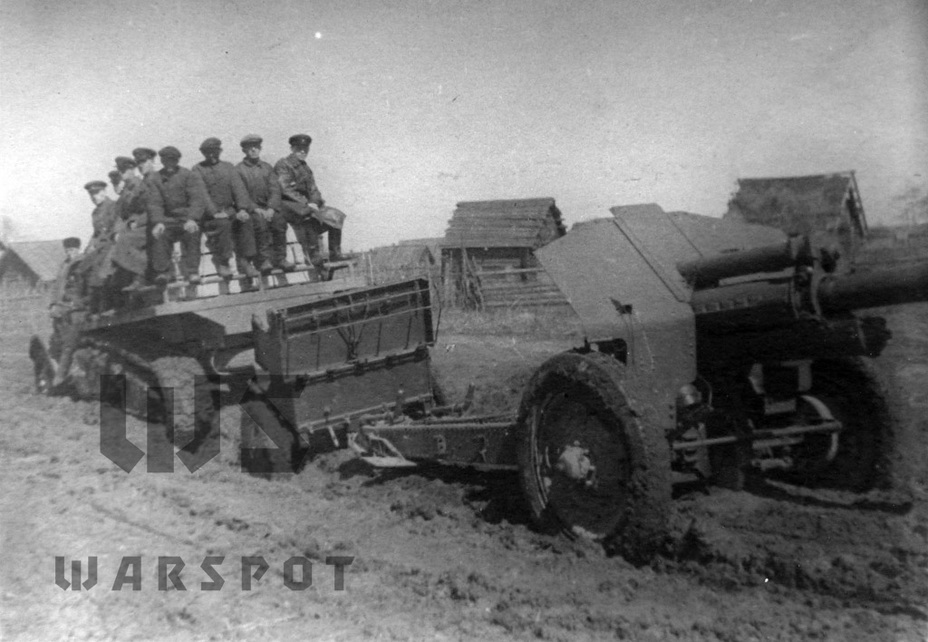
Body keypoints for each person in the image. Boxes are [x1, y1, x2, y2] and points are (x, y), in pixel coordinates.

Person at [274, 133, 346, 269]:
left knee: (337, 215)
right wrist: (307, 203)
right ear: (292, 149)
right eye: (299, 149)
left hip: (306, 204)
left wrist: (315, 201)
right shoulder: (283, 165)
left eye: (305, 149)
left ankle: (335, 252)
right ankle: (313, 254)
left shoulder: (305, 168)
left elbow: (314, 189)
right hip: (289, 205)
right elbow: (285, 189)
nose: (302, 152)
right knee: (308, 214)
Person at [192, 137, 258, 279]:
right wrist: (214, 212)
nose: (212, 155)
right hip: (211, 216)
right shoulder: (197, 169)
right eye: (208, 153)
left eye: (215, 152)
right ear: (203, 154)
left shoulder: (228, 167)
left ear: (220, 151)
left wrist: (242, 209)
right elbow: (202, 194)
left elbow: (238, 189)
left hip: (229, 210)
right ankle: (223, 262)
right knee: (222, 225)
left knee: (245, 221)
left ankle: (246, 261)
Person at [147, 146, 207, 285]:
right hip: (167, 221)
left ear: (177, 161)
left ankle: (192, 271)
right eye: (166, 161)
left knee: (192, 234)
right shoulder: (155, 178)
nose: (169, 164)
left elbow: (197, 200)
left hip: (186, 219)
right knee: (159, 236)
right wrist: (158, 221)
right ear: (162, 161)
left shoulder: (188, 175)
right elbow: (155, 203)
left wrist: (192, 219)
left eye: (172, 161)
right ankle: (164, 272)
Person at [235, 134, 293, 273]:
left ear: (260, 148)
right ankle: (263, 260)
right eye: (250, 148)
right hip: (253, 210)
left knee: (279, 223)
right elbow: (241, 194)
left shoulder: (267, 168)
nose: (254, 150)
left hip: (269, 208)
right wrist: (255, 209)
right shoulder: (238, 170)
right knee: (260, 226)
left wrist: (272, 208)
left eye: (256, 147)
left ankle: (281, 259)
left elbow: (275, 189)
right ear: (244, 151)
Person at [48, 237, 87, 387]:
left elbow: (83, 287)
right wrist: (53, 304)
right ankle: (64, 370)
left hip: (75, 307)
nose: (70, 253)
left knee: (70, 343)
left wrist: (74, 303)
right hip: (61, 307)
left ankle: (61, 377)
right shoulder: (64, 265)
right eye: (68, 250)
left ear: (78, 249)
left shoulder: (83, 263)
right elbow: (57, 287)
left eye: (72, 250)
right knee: (59, 340)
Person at [109, 155, 150, 292]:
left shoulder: (141, 185)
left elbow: (151, 208)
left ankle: (142, 275)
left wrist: (136, 221)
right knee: (116, 245)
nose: (121, 173)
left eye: (123, 170)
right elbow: (120, 215)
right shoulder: (126, 191)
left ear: (132, 169)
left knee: (126, 241)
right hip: (130, 228)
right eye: (120, 170)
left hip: (145, 225)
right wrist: (116, 231)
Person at [79, 180, 119, 311]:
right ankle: (88, 302)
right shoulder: (95, 213)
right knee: (82, 266)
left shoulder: (113, 206)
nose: (94, 197)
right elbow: (96, 233)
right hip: (100, 245)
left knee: (103, 270)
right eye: (91, 194)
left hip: (111, 243)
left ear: (104, 192)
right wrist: (89, 247)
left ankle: (108, 304)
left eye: (96, 193)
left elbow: (117, 227)